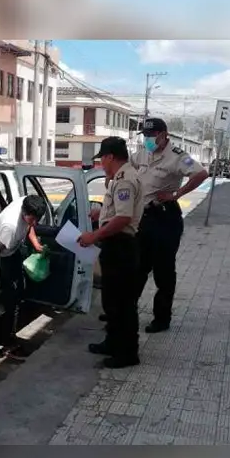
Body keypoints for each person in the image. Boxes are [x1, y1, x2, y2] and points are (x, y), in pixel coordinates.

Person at [130, 117, 209, 333]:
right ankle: (127, 310)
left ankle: (162, 318)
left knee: (163, 271)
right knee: (138, 267)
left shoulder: (177, 157)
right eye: (145, 136)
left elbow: (201, 173)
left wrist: (177, 194)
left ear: (164, 134)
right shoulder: (143, 153)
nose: (148, 139)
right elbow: (129, 164)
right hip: (143, 218)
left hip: (164, 218)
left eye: (152, 135)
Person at [78, 136, 144, 368]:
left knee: (122, 303)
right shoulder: (119, 177)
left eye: (102, 159)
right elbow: (118, 211)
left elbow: (124, 217)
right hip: (117, 245)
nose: (101, 164)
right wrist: (101, 215)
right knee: (112, 300)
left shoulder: (124, 179)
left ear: (110, 157)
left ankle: (127, 353)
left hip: (121, 246)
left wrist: (93, 236)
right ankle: (113, 342)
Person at [0, 194, 46, 356]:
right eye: (32, 220)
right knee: (11, 299)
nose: (34, 223)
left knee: (19, 290)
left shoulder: (27, 203)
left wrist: (36, 244)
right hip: (1, 259)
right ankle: (7, 341)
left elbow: (30, 227)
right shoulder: (10, 227)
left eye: (37, 219)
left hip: (12, 253)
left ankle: (10, 330)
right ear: (24, 213)